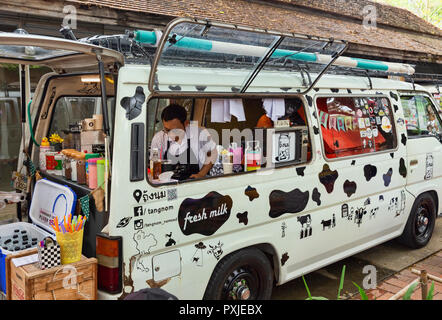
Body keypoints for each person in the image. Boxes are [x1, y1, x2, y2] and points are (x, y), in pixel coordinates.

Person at [150, 103, 217, 180]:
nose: (170, 134)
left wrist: (201, 174)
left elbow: (212, 153)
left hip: (194, 183)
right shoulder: (159, 138)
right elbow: (154, 164)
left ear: (186, 123)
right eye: (167, 130)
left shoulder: (200, 133)